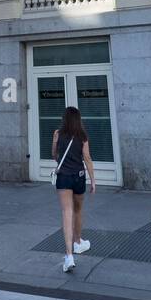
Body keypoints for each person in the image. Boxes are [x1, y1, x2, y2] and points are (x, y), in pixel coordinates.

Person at [52, 106, 97, 274]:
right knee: (78, 210)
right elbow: (87, 158)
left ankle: (69, 255)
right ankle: (78, 242)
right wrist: (93, 180)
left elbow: (54, 156)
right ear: (78, 119)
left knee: (67, 213)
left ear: (64, 119)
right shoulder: (82, 136)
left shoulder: (57, 134)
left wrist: (58, 146)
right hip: (78, 177)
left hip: (64, 177)